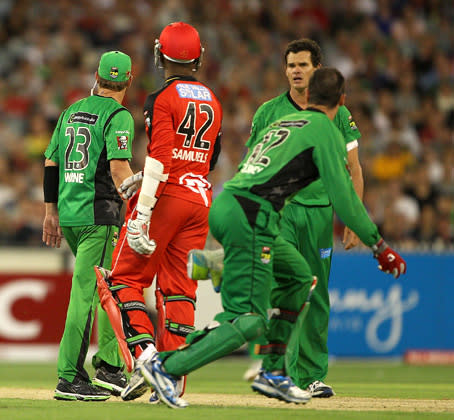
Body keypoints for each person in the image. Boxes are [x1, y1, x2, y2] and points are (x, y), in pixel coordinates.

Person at [139, 67, 407, 409]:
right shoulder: (325, 129)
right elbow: (344, 199)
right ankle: (165, 366)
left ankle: (274, 371)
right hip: (251, 218)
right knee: (248, 321)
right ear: (341, 100)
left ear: (308, 97)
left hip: (234, 207)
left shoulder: (284, 123)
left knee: (298, 278)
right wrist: (379, 246)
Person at [189, 39, 364, 397]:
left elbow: (354, 169)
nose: (296, 71)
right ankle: (271, 365)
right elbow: (250, 164)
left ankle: (310, 375)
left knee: (314, 292)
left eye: (303, 65)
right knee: (269, 286)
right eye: (291, 65)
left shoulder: (339, 113)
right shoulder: (269, 111)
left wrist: (352, 218)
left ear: (318, 70)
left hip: (318, 213)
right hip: (278, 211)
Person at [95, 22, 223, 402]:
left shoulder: (162, 98)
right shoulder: (213, 99)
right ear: (198, 58)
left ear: (158, 56)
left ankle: (149, 361)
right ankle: (176, 377)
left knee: (122, 280)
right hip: (200, 198)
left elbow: (161, 159)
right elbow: (210, 158)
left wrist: (144, 211)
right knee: (180, 290)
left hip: (165, 197)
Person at [43, 50, 136, 401]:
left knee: (106, 289)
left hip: (69, 214)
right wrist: (143, 205)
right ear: (129, 79)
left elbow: (51, 161)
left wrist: (50, 211)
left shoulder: (70, 111)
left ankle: (110, 369)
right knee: (89, 293)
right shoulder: (118, 115)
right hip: (100, 216)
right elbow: (118, 170)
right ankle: (69, 376)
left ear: (96, 76)